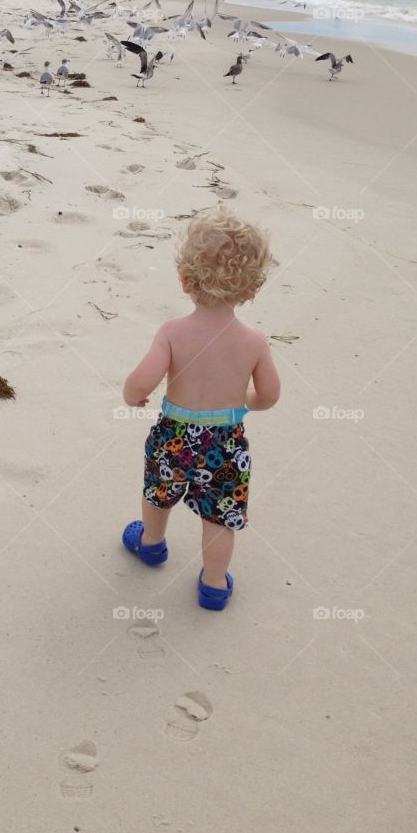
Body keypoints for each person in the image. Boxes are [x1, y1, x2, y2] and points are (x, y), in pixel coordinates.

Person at [120, 208, 281, 611]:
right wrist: (245, 402)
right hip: (226, 445)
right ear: (251, 288)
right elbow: (270, 395)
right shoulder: (254, 341)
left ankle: (152, 544)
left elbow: (142, 380)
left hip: (172, 437)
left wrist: (132, 396)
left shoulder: (173, 333)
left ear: (185, 279)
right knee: (220, 516)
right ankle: (213, 584)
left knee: (159, 494)